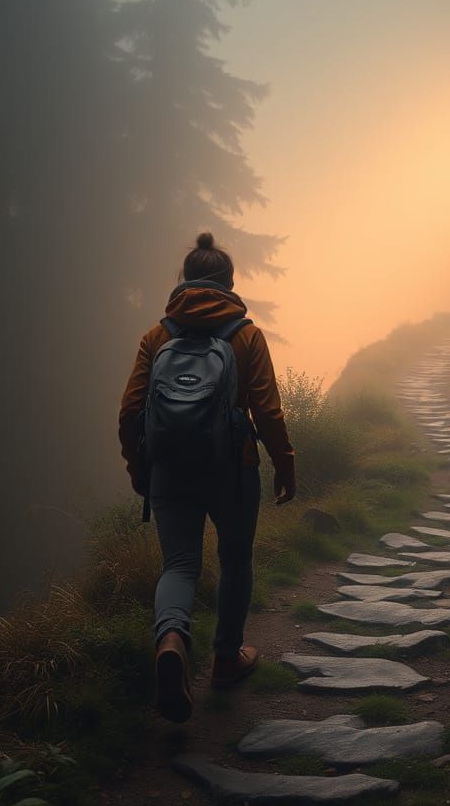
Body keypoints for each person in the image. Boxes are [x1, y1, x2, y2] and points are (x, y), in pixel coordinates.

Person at [118, 232, 296, 722]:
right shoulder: (245, 334)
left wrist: (140, 468)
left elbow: (131, 409)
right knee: (235, 559)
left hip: (170, 468)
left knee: (178, 565)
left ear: (184, 281)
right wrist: (284, 463)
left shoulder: (157, 337)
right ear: (229, 282)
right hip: (232, 467)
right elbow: (268, 409)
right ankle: (224, 660)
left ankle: (172, 639)